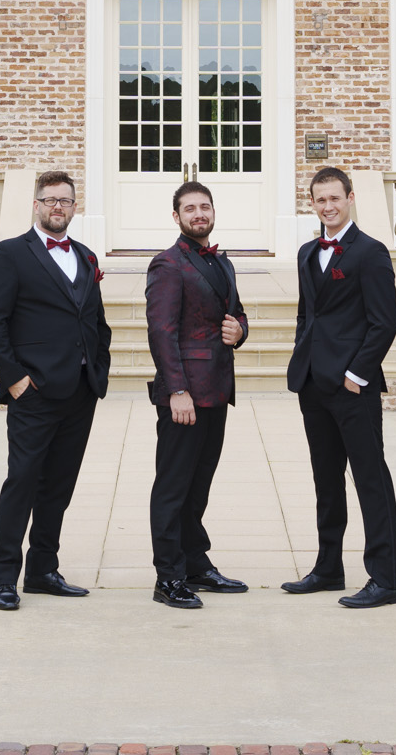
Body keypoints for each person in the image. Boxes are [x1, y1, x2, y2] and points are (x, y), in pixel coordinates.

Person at [0, 169, 114, 612]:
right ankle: (4, 577)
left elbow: (94, 319)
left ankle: (42, 570)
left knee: (59, 485)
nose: (58, 207)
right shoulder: (12, 253)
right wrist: (14, 378)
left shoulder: (87, 257)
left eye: (66, 201)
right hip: (33, 391)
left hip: (80, 390)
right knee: (22, 482)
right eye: (51, 200)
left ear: (75, 207)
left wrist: (99, 370)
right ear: (36, 205)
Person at [281, 166, 396, 608]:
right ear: (312, 203)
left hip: (353, 387)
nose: (328, 207)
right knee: (325, 480)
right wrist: (303, 356)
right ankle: (329, 567)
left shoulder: (370, 252)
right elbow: (305, 314)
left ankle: (385, 579)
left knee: (370, 479)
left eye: (335, 198)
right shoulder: (305, 252)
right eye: (320, 200)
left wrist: (357, 374)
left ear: (350, 198)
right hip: (313, 383)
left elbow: (384, 322)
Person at [141, 178, 251, 609]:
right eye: (190, 209)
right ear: (177, 216)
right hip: (185, 397)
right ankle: (168, 577)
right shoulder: (167, 265)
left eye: (205, 206)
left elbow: (235, 314)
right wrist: (177, 391)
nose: (199, 214)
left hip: (218, 391)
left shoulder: (222, 262)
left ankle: (195, 564)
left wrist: (240, 330)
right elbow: (161, 333)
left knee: (199, 485)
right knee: (172, 486)